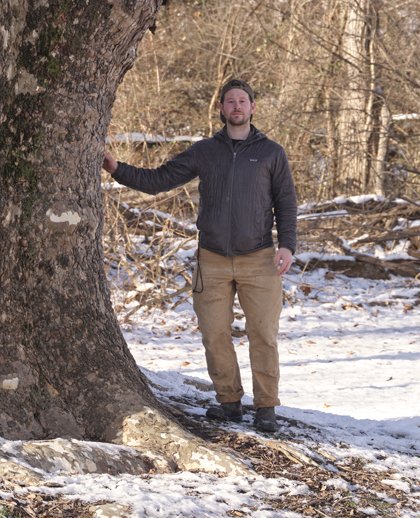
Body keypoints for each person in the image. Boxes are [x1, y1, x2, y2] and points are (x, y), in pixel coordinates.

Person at [103, 78, 297, 435]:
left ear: (253, 108)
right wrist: (118, 169)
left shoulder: (271, 153)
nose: (237, 107)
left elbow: (285, 202)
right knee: (214, 334)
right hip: (213, 259)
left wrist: (287, 245)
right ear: (221, 109)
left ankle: (266, 406)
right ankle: (229, 402)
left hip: (260, 259)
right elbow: (159, 179)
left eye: (243, 101)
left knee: (263, 335)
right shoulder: (205, 152)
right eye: (230, 101)